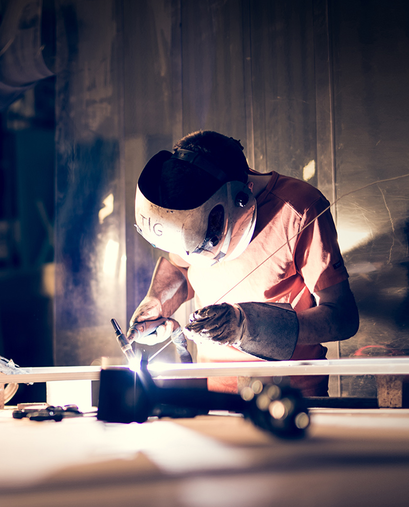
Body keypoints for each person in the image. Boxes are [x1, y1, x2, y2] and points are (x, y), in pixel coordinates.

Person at [127, 130, 358, 396]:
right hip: (215, 395)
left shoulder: (299, 209)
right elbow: (182, 267)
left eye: (201, 246)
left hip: (287, 398)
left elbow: (342, 317)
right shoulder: (189, 205)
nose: (191, 256)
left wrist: (247, 326)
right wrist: (157, 302)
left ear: (239, 200)